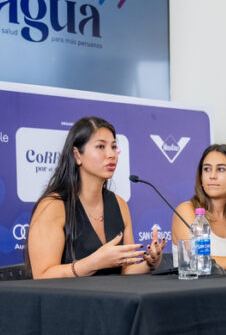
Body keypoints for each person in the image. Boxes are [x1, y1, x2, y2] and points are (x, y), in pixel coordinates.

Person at [24, 117, 165, 279]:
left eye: (113, 147)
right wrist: (93, 263)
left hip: (114, 299)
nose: (111, 154)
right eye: (100, 146)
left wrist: (150, 264)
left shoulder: (119, 204)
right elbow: (42, 275)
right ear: (77, 155)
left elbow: (125, 271)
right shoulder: (53, 206)